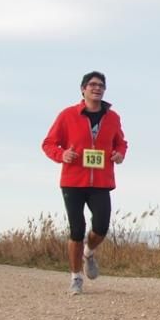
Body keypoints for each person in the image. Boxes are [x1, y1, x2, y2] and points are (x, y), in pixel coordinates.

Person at [42, 71, 127, 295]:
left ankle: (89, 253)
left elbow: (121, 143)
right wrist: (62, 155)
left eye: (101, 85)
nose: (97, 88)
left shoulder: (113, 117)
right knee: (76, 229)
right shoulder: (68, 115)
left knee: (101, 226)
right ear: (83, 89)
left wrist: (119, 154)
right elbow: (49, 143)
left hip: (101, 180)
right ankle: (76, 277)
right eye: (92, 85)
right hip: (73, 180)